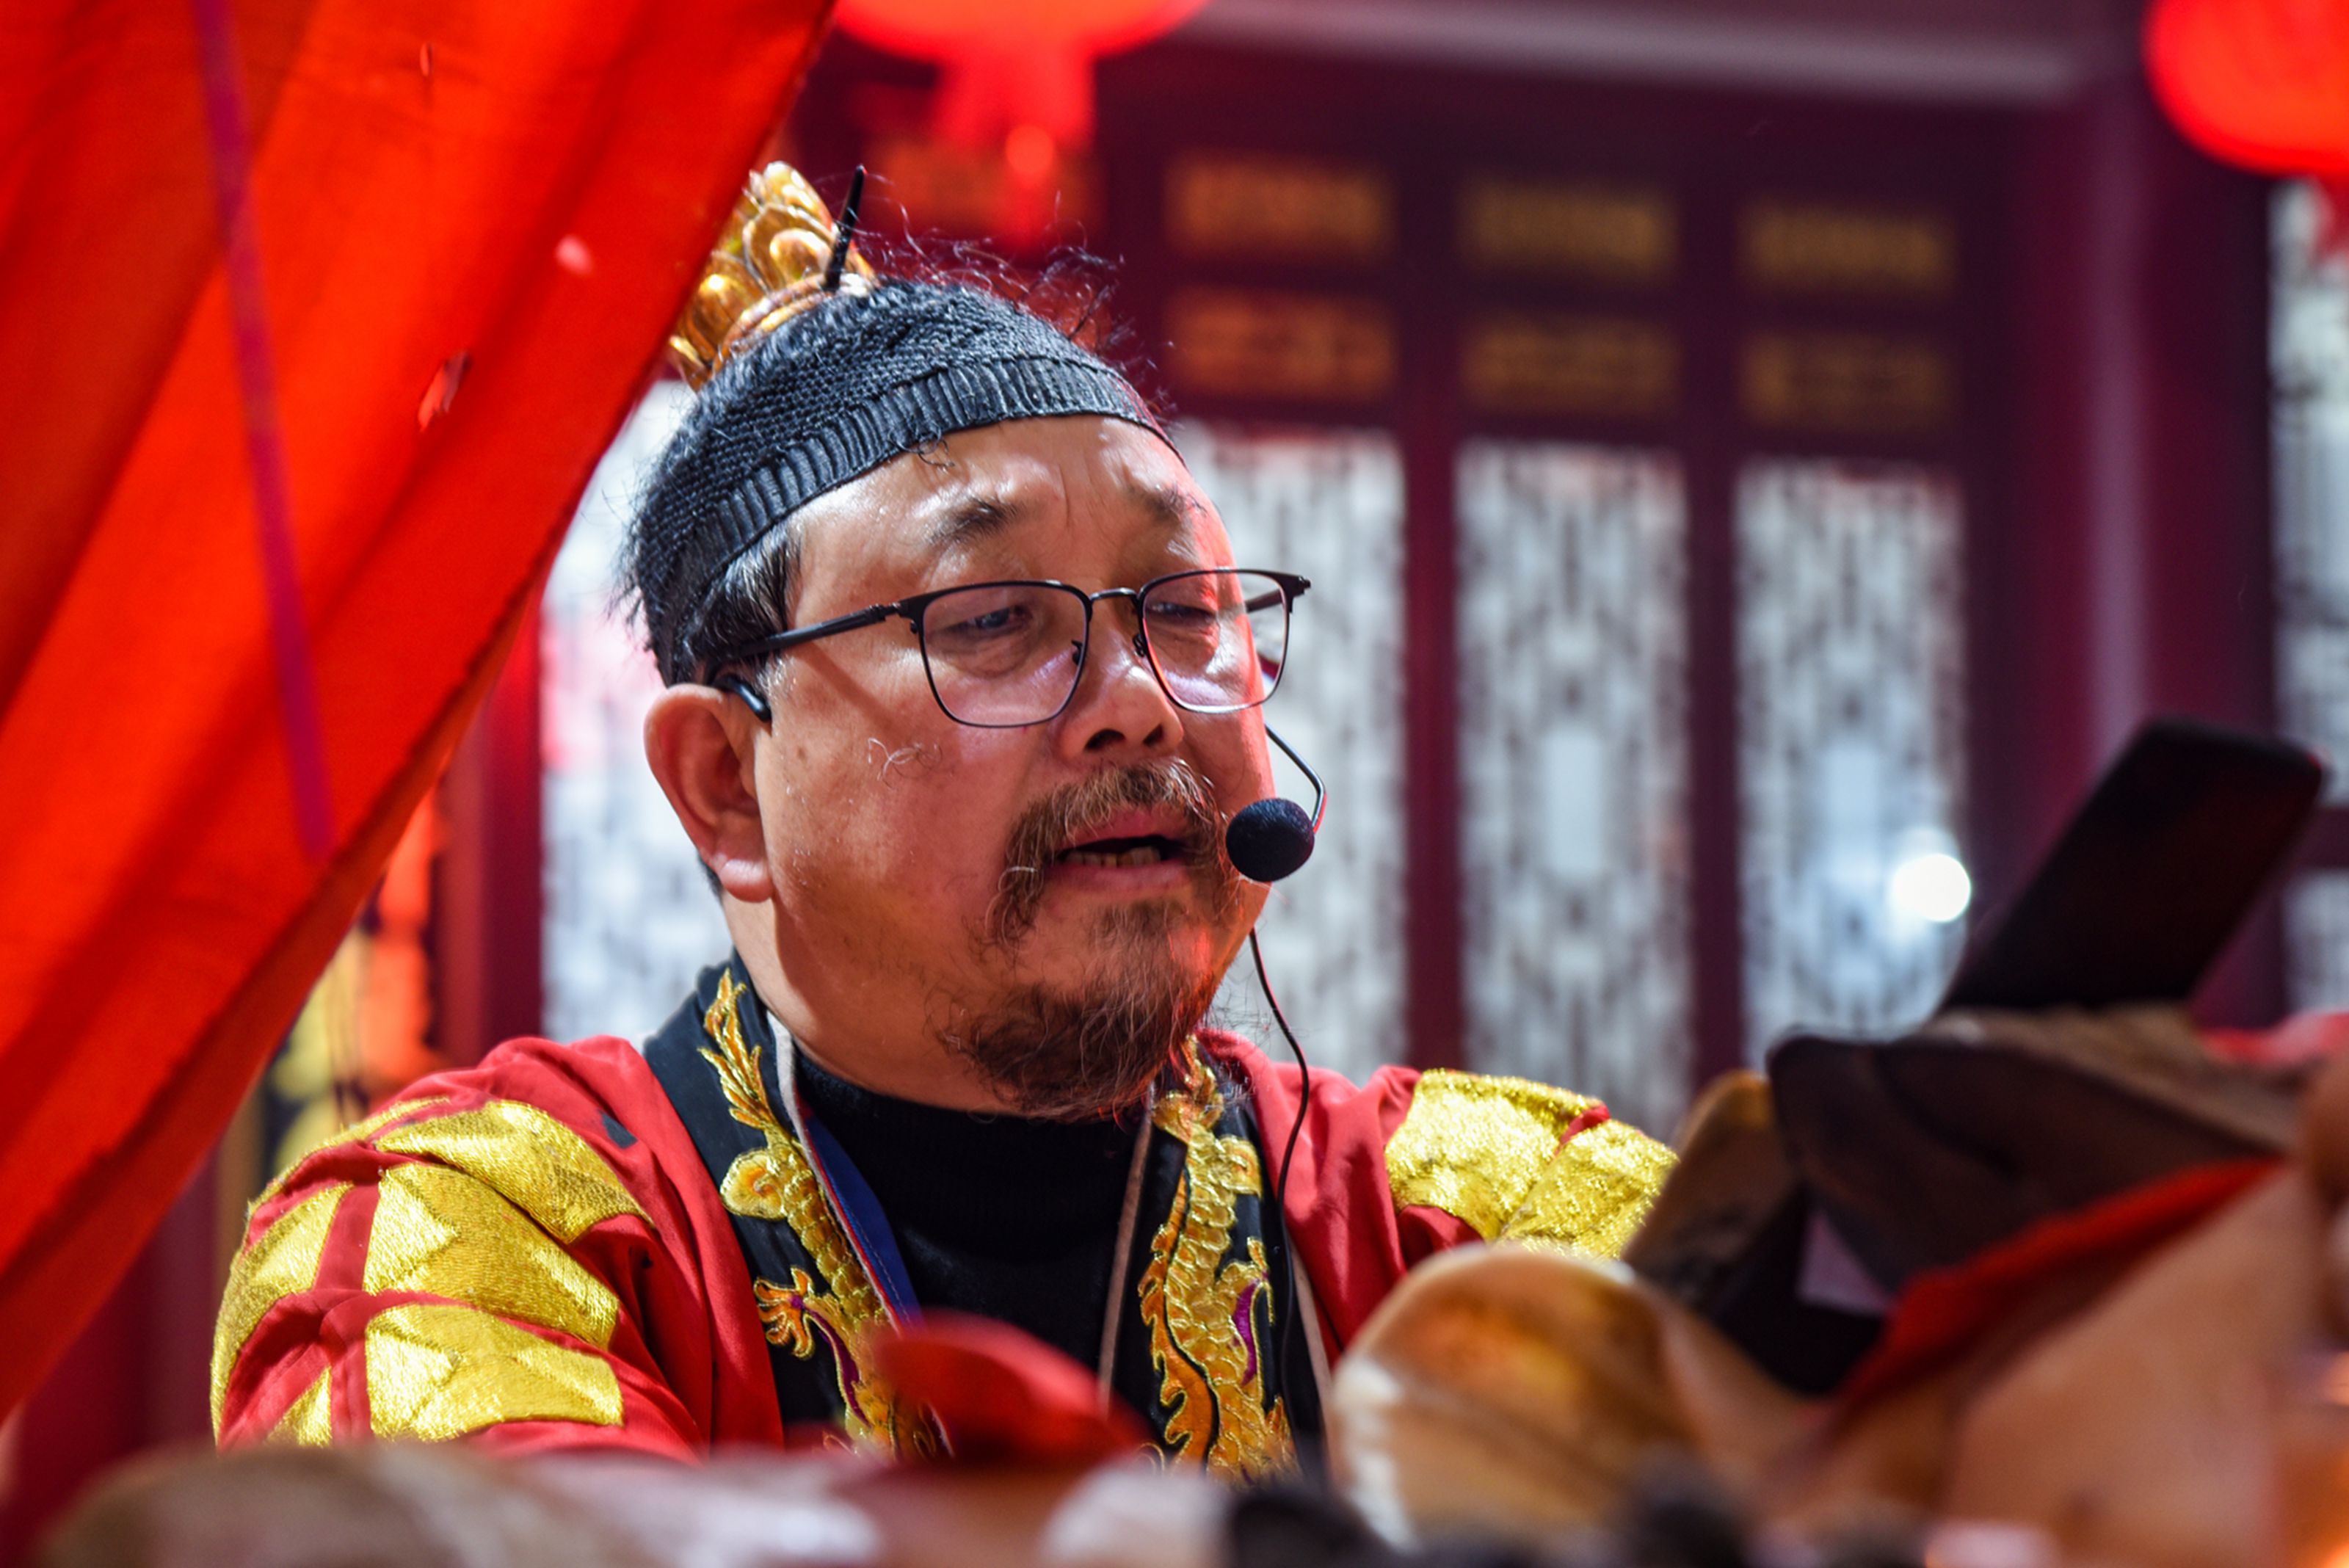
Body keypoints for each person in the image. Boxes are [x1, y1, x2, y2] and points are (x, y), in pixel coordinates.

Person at [209, 164, 1674, 1474]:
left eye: (1185, 610)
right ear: (725, 784)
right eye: (990, 619)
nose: (1138, 702)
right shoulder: (475, 1236)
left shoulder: (1471, 1226)